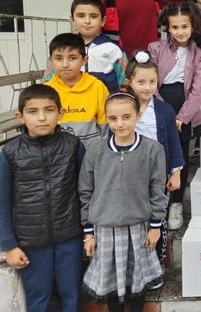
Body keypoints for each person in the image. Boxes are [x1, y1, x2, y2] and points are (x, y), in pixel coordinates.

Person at [79, 90, 167, 312]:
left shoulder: (152, 149)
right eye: (113, 118)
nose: (119, 124)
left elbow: (157, 188)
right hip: (104, 228)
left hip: (139, 227)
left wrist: (156, 226)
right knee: (111, 283)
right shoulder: (96, 151)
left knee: (137, 281)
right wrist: (88, 232)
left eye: (126, 117)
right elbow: (85, 191)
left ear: (138, 115)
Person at [0, 84, 84, 312]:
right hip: (31, 242)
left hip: (69, 237)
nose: (41, 118)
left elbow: (84, 192)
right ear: (20, 116)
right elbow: (2, 203)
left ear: (60, 113)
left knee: (72, 295)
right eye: (32, 111)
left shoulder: (73, 146)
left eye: (49, 110)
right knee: (38, 299)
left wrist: (88, 232)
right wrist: (9, 246)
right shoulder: (10, 153)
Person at [148, 3, 201, 230]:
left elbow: (198, 90)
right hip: (158, 105)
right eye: (175, 27)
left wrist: (181, 117)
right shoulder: (156, 48)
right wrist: (162, 111)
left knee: (179, 157)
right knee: (156, 155)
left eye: (184, 26)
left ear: (193, 26)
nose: (180, 32)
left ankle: (176, 204)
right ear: (168, 28)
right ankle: (157, 204)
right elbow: (149, 80)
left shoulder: (198, 54)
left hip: (184, 109)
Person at [125, 51, 185, 268]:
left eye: (152, 81)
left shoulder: (164, 110)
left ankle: (156, 265)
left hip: (158, 175)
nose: (147, 87)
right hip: (129, 175)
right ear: (129, 82)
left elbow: (174, 142)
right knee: (134, 220)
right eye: (141, 82)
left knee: (158, 219)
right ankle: (135, 266)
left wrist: (175, 171)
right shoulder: (123, 108)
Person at [44, 0, 127, 93]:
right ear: (72, 20)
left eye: (93, 16)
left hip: (104, 100)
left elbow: (124, 81)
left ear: (103, 21)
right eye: (81, 16)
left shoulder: (113, 49)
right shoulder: (61, 47)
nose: (87, 21)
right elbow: (49, 80)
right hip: (68, 100)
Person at [45, 33, 108, 152]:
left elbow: (105, 125)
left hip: (92, 153)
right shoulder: (47, 91)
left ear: (84, 60)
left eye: (72, 58)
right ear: (51, 61)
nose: (65, 64)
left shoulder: (97, 87)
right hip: (58, 154)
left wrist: (104, 154)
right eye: (59, 58)